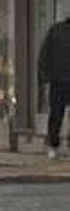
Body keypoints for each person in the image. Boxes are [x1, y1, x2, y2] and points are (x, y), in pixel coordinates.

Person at [39, 16, 70, 159]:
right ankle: (53, 143)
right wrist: (45, 76)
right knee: (57, 113)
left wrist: (45, 76)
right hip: (58, 79)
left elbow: (44, 54)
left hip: (57, 79)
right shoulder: (56, 31)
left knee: (56, 113)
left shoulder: (56, 30)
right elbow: (45, 54)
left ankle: (53, 144)